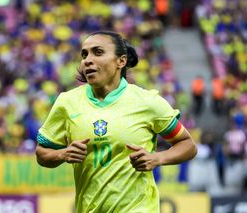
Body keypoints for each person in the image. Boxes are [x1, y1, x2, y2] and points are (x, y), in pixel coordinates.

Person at [35, 31, 197, 213]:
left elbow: (187, 145)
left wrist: (157, 158)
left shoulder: (147, 102)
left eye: (98, 52)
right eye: (84, 54)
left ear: (121, 61)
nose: (87, 60)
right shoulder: (67, 102)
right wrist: (62, 154)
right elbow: (42, 152)